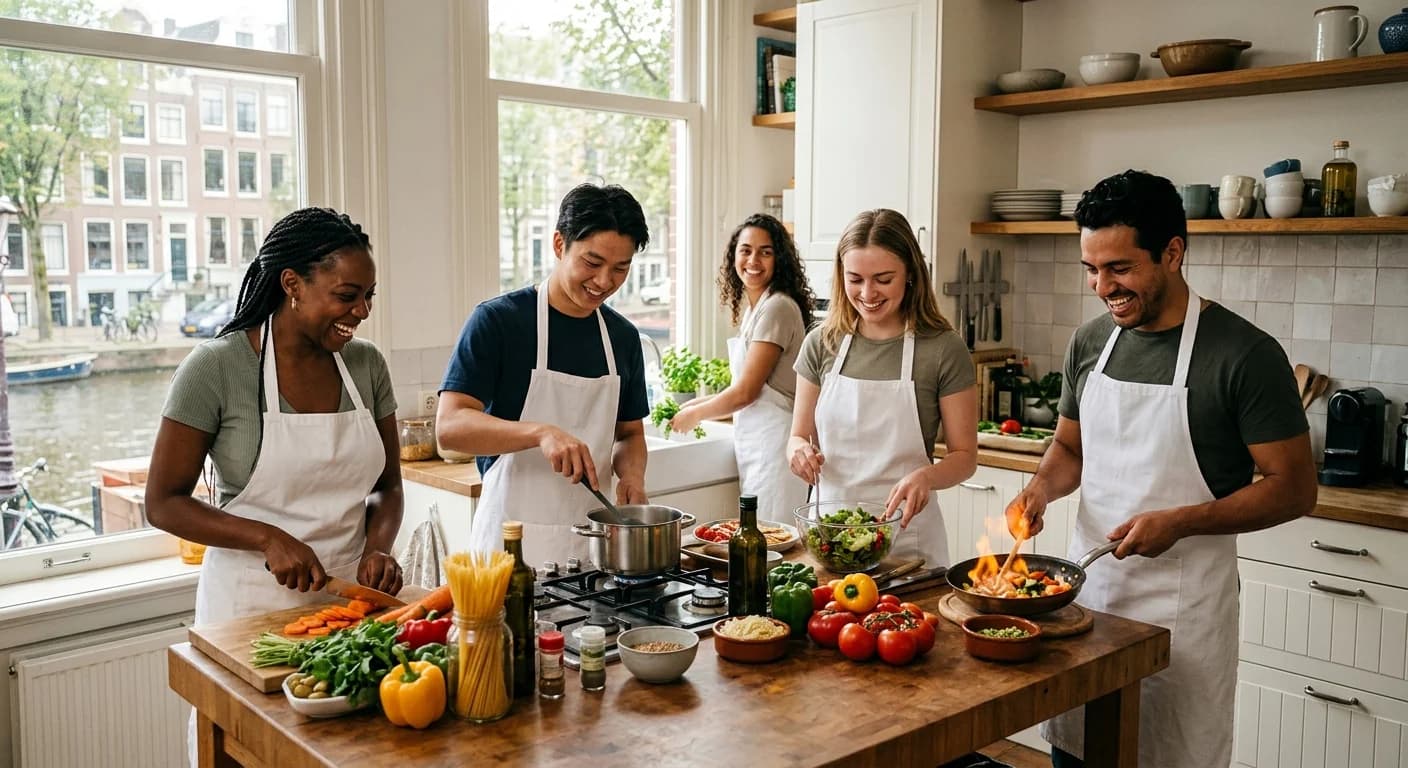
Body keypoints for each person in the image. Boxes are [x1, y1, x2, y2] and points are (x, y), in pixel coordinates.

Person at [1002, 170, 1317, 768]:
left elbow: (1295, 490)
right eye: (1091, 269)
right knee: (1079, 753)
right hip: (1087, 602)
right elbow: (1070, 449)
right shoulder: (1090, 342)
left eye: (1119, 268)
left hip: (1182, 615)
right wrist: (1039, 489)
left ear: (1172, 253)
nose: (1102, 287)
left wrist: (1181, 521)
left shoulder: (1244, 354)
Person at [144, 208, 402, 764]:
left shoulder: (366, 366)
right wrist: (266, 538)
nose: (361, 312)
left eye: (368, 297)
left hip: (349, 613)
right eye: (347, 295)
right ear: (292, 284)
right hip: (247, 612)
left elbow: (388, 486)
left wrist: (378, 546)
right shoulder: (216, 368)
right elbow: (162, 503)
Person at [437, 183, 651, 565]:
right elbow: (450, 428)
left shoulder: (622, 337)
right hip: (510, 548)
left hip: (591, 550)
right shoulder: (498, 321)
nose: (605, 281)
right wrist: (541, 433)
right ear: (558, 244)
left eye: (620, 268)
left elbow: (630, 434)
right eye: (592, 262)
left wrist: (632, 477)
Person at [786, 208, 977, 568]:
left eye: (883, 279)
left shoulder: (943, 348)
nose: (867, 293)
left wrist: (927, 476)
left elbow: (965, 457)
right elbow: (798, 436)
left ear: (910, 273)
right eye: (855, 279)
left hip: (908, 542)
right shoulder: (821, 343)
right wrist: (797, 452)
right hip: (831, 538)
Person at [668, 213, 816, 522]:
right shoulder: (758, 308)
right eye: (746, 250)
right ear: (733, 256)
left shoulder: (777, 307)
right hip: (759, 444)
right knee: (762, 536)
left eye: (765, 252)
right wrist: (694, 404)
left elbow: (747, 392)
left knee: (774, 539)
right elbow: (745, 387)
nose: (753, 260)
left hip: (776, 448)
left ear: (779, 259)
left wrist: (696, 414)